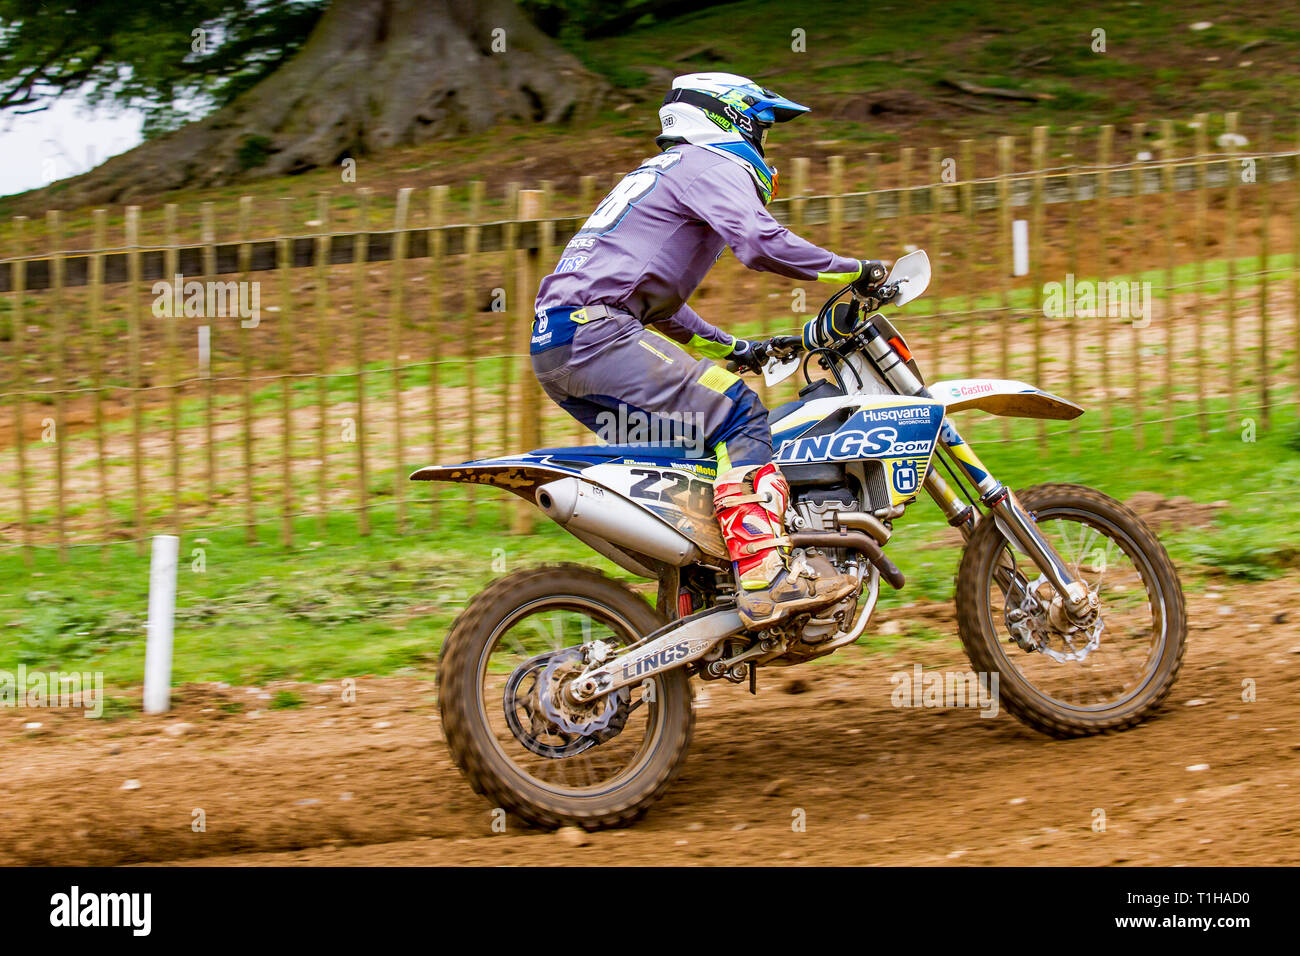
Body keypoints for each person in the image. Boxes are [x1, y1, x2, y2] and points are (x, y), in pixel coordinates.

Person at [530, 72, 882, 629]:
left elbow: (661, 306)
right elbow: (761, 242)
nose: (767, 145)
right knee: (739, 412)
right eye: (763, 127)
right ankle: (766, 575)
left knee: (693, 449)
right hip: (600, 335)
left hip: (561, 347)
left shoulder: (667, 173)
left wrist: (737, 347)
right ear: (732, 117)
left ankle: (698, 593)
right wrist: (858, 270)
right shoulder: (708, 164)